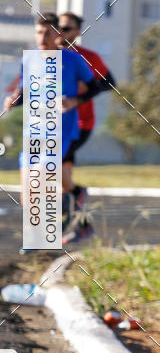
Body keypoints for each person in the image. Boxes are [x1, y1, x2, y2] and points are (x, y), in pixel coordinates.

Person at [4, 12, 102, 245]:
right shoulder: (29, 59)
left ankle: (44, 231)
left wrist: (74, 101)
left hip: (61, 130)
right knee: (27, 192)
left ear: (58, 34)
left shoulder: (73, 60)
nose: (42, 37)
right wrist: (13, 101)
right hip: (33, 130)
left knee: (46, 171)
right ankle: (74, 194)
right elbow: (26, 91)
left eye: (48, 32)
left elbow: (95, 87)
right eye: (39, 32)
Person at [55, 12, 115, 210]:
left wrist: (79, 97)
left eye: (66, 28)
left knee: (58, 162)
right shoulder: (45, 56)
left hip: (80, 123)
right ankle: (71, 206)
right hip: (51, 122)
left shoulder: (89, 57)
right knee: (58, 165)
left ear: (77, 32)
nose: (59, 32)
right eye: (57, 27)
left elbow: (109, 83)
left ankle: (70, 206)